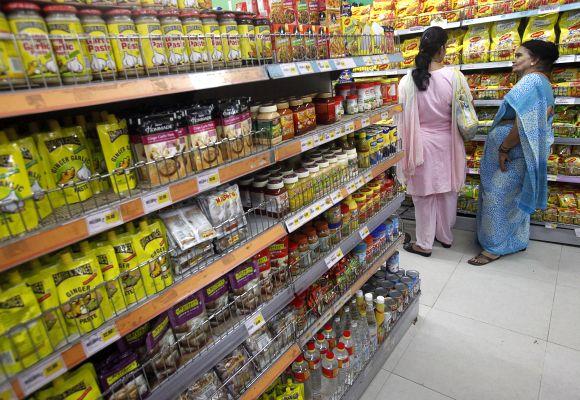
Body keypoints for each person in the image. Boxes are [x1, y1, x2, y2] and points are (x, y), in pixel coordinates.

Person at [469, 40, 558, 266]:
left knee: (497, 195)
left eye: (519, 55)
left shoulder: (531, 81)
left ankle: (493, 247)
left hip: (513, 151)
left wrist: (504, 147)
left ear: (534, 60)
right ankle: (512, 240)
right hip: (521, 151)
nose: (514, 59)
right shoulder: (543, 82)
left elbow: (523, 121)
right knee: (512, 196)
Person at [397, 26, 468, 257]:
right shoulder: (455, 77)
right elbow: (465, 109)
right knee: (447, 189)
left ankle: (424, 243)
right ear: (442, 49)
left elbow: (401, 112)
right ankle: (445, 236)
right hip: (448, 142)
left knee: (423, 194)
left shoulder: (408, 79)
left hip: (420, 143)